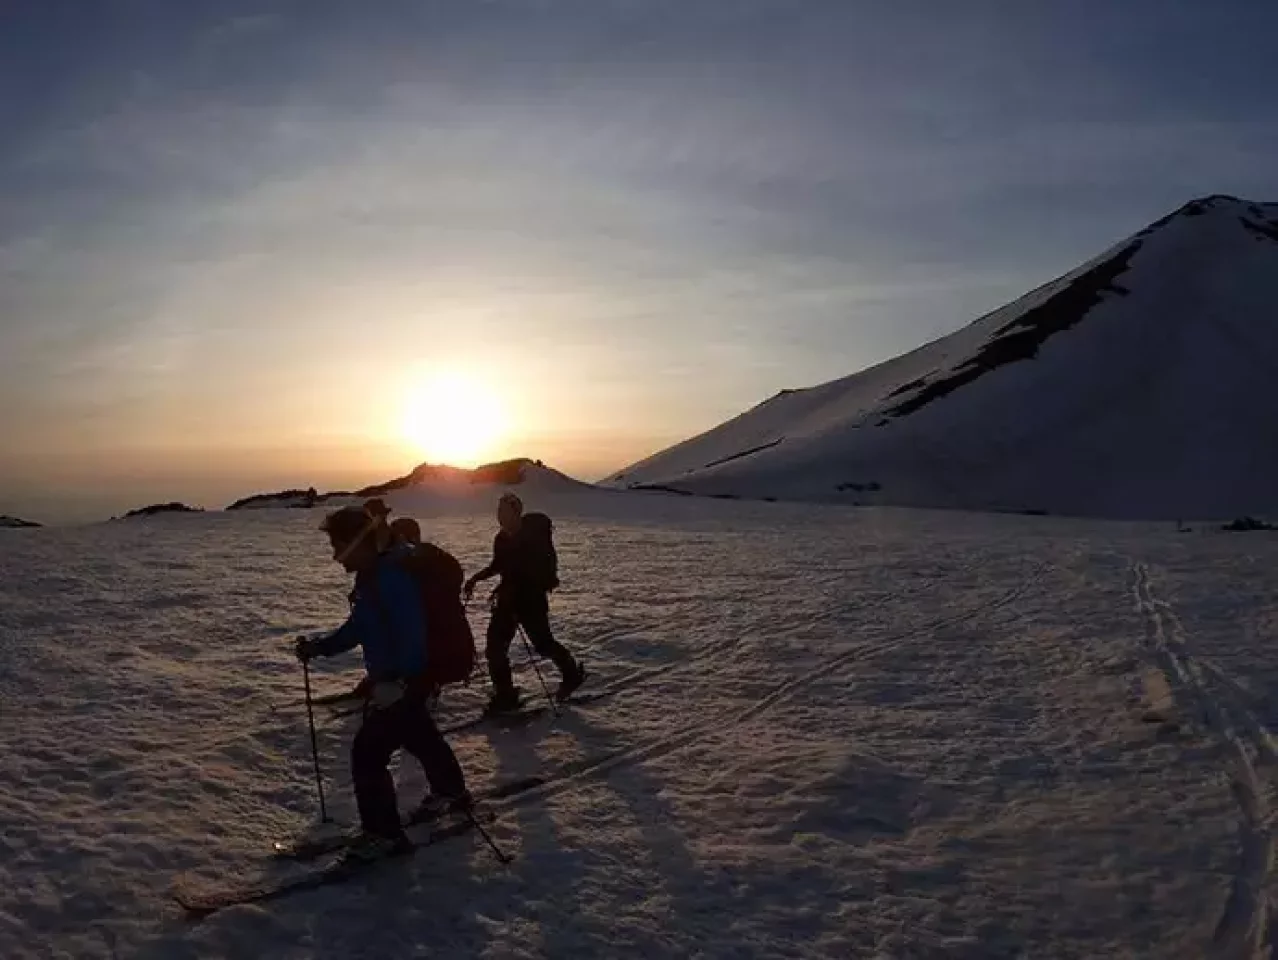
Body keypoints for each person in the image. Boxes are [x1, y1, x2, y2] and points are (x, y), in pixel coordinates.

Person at [296, 504, 471, 864]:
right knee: (419, 734)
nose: (334, 556)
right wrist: (321, 647)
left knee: (368, 751)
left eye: (338, 545)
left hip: (408, 679)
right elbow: (361, 627)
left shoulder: (391, 576)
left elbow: (412, 634)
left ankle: (384, 834)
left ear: (359, 542)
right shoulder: (371, 576)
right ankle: (452, 792)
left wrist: (402, 682)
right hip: (400, 680)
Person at [464, 492, 585, 715]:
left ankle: (571, 673)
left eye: (504, 511)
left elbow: (532, 574)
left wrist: (512, 593)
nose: (500, 516)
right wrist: (475, 579)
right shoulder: (501, 539)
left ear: (516, 512)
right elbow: (498, 565)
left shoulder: (532, 540)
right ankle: (505, 695)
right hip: (507, 602)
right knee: (495, 648)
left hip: (530, 602)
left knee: (543, 644)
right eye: (498, 511)